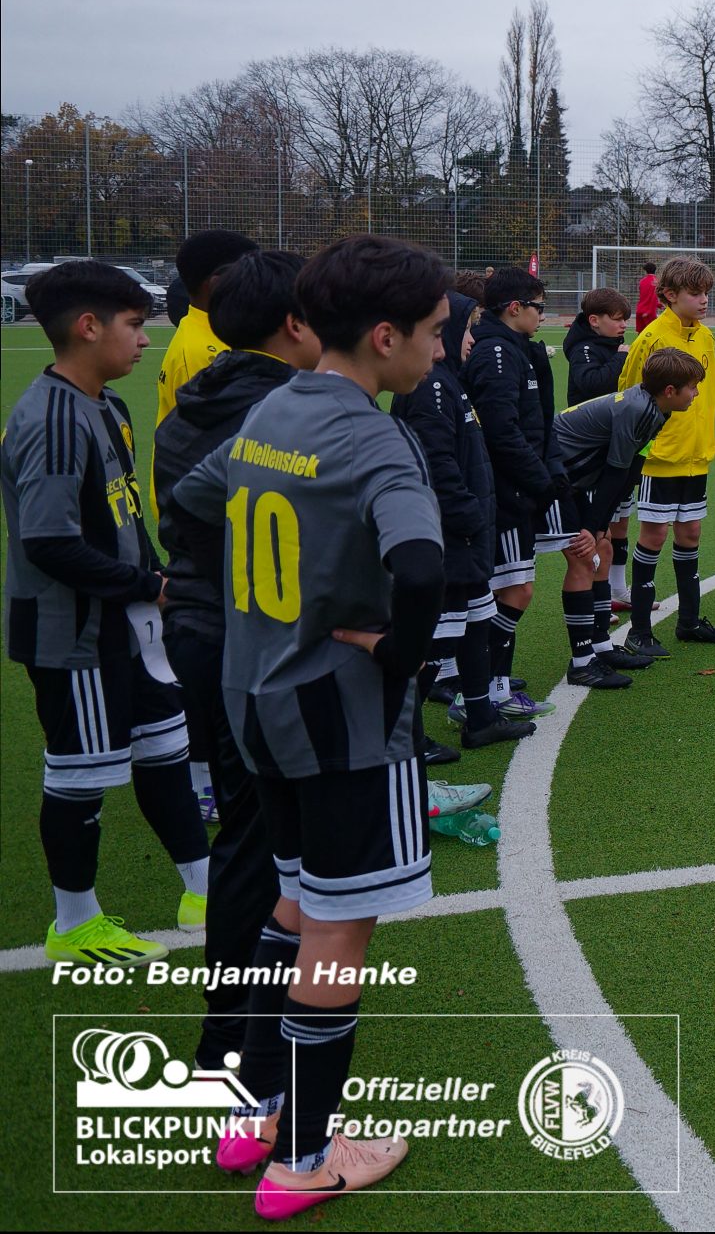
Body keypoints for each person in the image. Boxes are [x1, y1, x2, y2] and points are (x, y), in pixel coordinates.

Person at [166, 234, 452, 1214]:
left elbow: (194, 499)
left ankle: (256, 1112)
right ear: (384, 335)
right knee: (338, 928)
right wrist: (397, 653)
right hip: (338, 715)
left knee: (290, 908)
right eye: (433, 332)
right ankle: (304, 1159)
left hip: (257, 699)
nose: (439, 350)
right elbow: (420, 567)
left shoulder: (271, 406)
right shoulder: (377, 437)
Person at [4, 262, 209, 966]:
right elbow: (49, 541)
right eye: (133, 325)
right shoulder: (55, 418)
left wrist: (153, 575)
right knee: (82, 776)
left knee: (165, 751)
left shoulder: (105, 406)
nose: (144, 340)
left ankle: (203, 888)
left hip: (124, 623)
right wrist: (141, 585)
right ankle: (74, 922)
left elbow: (120, 514)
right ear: (88, 327)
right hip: (75, 635)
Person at [152, 252, 320, 1054]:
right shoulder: (284, 412)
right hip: (250, 639)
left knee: (254, 835)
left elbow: (179, 519)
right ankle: (236, 1041)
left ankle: (249, 1023)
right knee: (261, 840)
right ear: (295, 324)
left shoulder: (191, 404)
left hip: (201, 626)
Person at [394, 288, 539, 741]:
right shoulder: (432, 385)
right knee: (437, 640)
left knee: (476, 624)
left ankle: (480, 718)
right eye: (464, 327)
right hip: (452, 534)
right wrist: (469, 517)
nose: (471, 338)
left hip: (468, 531)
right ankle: (405, 739)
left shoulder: (448, 380)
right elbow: (438, 465)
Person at [556, 349, 706, 675]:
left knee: (603, 549)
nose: (696, 394)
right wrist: (595, 525)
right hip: (557, 478)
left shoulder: (656, 410)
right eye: (692, 388)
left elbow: (632, 467)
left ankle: (599, 646)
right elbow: (614, 472)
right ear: (670, 391)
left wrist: (601, 524)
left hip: (580, 481)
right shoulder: (636, 409)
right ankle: (582, 662)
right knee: (585, 556)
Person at [466, 267, 569, 702]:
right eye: (538, 307)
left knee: (513, 587)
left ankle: (490, 683)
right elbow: (501, 431)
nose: (542, 315)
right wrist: (541, 482)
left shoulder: (517, 348)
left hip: (518, 489)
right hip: (507, 493)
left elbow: (536, 423)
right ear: (514, 308)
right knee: (513, 590)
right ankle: (483, 687)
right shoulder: (497, 353)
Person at [620, 255, 715, 654]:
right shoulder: (651, 338)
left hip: (696, 456)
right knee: (654, 536)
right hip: (659, 459)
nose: (704, 301)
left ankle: (689, 621)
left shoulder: (706, 336)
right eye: (695, 293)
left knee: (690, 533)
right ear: (669, 295)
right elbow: (629, 394)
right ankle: (639, 630)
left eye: (707, 293)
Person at [563, 287, 633, 608]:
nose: (623, 326)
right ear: (594, 320)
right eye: (616, 320)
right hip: (591, 454)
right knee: (596, 530)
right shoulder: (585, 349)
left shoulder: (609, 345)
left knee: (619, 521)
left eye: (624, 320)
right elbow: (592, 383)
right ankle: (592, 596)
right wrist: (620, 359)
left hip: (617, 447)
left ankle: (617, 588)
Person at [156, 229, 260, 425]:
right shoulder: (202, 354)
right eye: (248, 275)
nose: (256, 284)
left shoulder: (217, 331)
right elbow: (202, 441)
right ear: (216, 284)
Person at [634, 260, 660, 336]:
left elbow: (644, 296)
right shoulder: (656, 282)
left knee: (640, 334)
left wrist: (658, 305)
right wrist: (650, 311)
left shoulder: (642, 281)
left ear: (645, 271)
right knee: (652, 334)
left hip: (639, 310)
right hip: (649, 312)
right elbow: (653, 297)